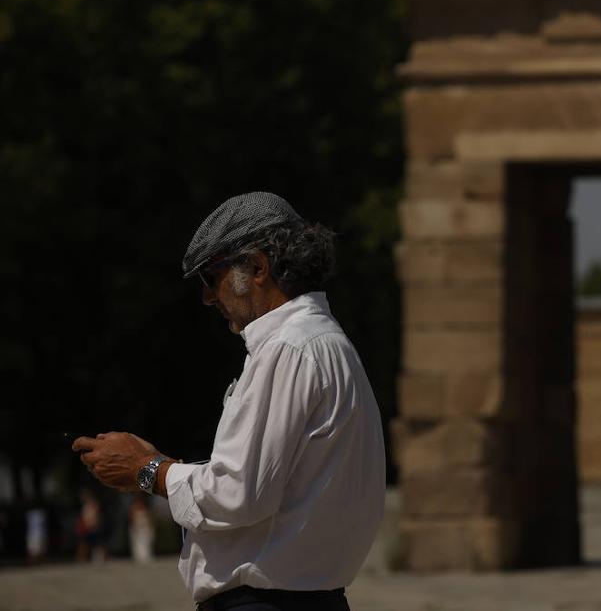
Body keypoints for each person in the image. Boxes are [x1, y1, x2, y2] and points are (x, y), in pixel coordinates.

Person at [73, 192, 386, 610]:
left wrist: (148, 471)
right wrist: (169, 467)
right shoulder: (323, 343)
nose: (207, 298)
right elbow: (270, 484)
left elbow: (240, 493)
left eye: (210, 278)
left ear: (257, 267)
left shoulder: (288, 349)